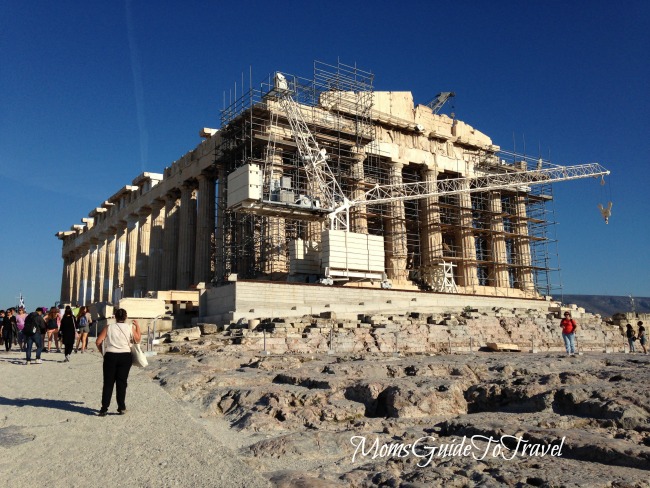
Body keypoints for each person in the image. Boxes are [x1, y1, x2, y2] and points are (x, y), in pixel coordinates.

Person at [95, 308, 141, 416]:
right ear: (125, 317)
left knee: (108, 383)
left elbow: (98, 341)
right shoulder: (129, 328)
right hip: (125, 356)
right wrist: (137, 326)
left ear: (115, 316)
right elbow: (138, 339)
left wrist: (103, 353)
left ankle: (104, 408)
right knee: (122, 382)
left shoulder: (109, 327)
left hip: (110, 355)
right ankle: (121, 407)